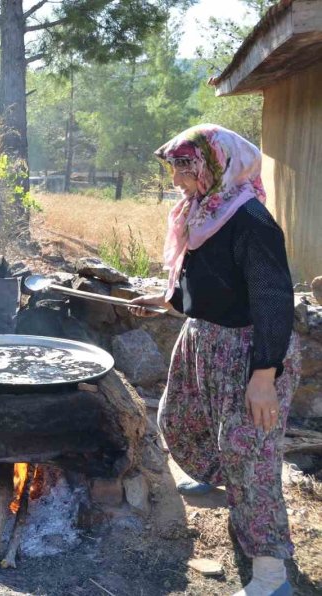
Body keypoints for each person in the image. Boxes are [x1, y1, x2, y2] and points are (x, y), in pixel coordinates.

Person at [130, 124, 300, 596]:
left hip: (251, 352)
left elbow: (272, 300)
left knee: (252, 457)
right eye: (176, 171)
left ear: (217, 166)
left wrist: (264, 375)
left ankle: (271, 575)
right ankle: (221, 483)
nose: (179, 182)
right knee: (181, 418)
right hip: (206, 340)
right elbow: (205, 281)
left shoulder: (250, 221)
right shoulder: (202, 211)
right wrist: (163, 301)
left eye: (187, 170)